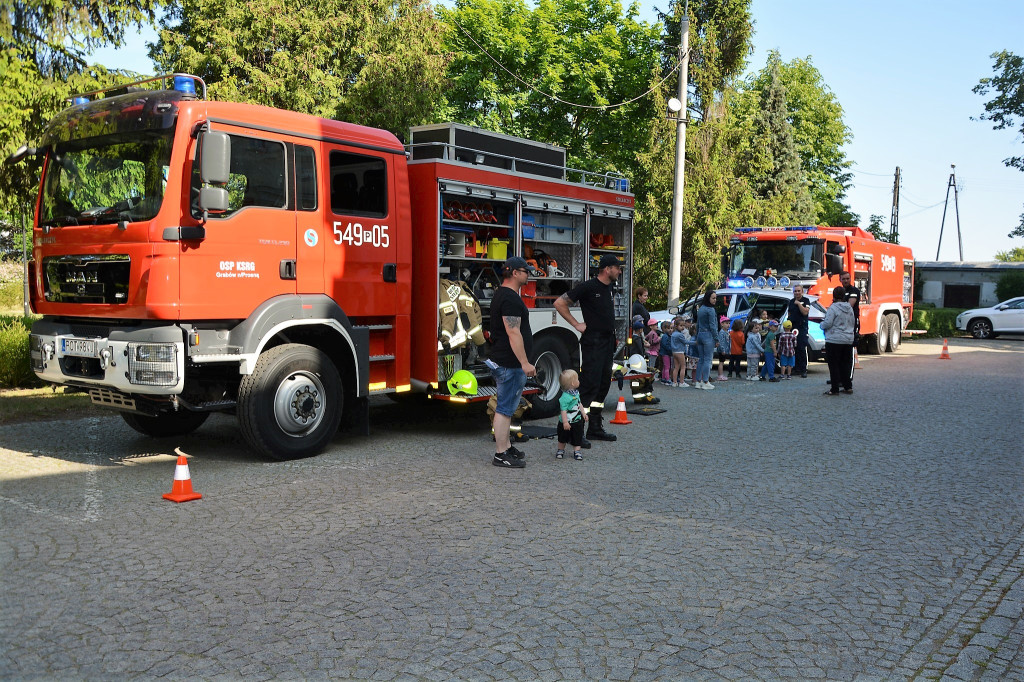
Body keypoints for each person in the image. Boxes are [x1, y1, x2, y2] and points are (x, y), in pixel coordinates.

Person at [554, 253, 623, 443]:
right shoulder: (589, 286)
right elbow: (559, 303)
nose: (619, 271)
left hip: (608, 342)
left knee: (602, 385)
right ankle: (577, 431)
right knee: (589, 385)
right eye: (617, 267)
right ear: (607, 269)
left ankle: (595, 427)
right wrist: (576, 324)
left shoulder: (610, 288)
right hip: (593, 342)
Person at [486, 256, 536, 468]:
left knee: (506, 407)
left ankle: (506, 447)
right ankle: (500, 454)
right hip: (510, 363)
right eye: (525, 271)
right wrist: (525, 363)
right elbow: (513, 332)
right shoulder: (510, 299)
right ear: (515, 272)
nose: (528, 275)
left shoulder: (503, 295)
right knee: (505, 409)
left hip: (506, 361)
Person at [820, 285, 856, 395]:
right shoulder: (849, 308)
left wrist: (822, 325)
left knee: (834, 365)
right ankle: (847, 386)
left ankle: (834, 389)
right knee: (845, 364)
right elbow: (853, 322)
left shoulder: (833, 308)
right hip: (848, 339)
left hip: (834, 339)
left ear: (834, 296)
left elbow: (828, 323)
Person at [555, 369, 587, 460]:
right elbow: (563, 410)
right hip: (566, 422)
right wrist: (565, 422)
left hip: (576, 420)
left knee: (577, 435)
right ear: (573, 383)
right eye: (577, 379)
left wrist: (583, 413)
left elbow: (579, 403)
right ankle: (560, 449)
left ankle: (577, 451)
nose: (579, 381)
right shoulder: (565, 397)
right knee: (562, 436)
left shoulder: (576, 393)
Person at [693, 290, 718, 390]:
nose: (715, 300)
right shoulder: (711, 310)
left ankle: (698, 381)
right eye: (713, 298)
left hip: (700, 334)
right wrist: (716, 338)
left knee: (701, 359)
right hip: (708, 335)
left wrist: (697, 335)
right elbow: (713, 326)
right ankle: (706, 381)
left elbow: (698, 324)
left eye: (715, 298)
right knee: (708, 359)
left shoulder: (701, 309)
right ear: (708, 298)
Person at [840, 271, 861, 388]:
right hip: (842, 324)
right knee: (841, 353)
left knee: (849, 353)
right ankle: (839, 378)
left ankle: (848, 379)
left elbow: (849, 306)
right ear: (840, 280)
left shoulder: (854, 291)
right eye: (843, 279)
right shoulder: (840, 290)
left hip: (852, 323)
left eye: (847, 278)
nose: (846, 281)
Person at [786, 284, 812, 377]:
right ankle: (796, 368)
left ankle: (803, 369)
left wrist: (799, 304)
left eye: (798, 291)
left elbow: (805, 312)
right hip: (793, 328)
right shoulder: (791, 301)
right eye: (795, 291)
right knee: (794, 348)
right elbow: (789, 313)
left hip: (802, 328)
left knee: (801, 348)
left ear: (802, 291)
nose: (797, 292)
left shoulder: (806, 301)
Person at [670, 316, 688, 387]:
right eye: (681, 325)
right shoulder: (680, 335)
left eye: (683, 325)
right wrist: (695, 342)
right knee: (683, 367)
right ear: (676, 326)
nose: (682, 327)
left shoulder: (673, 334)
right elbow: (685, 342)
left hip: (674, 352)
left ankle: (674, 382)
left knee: (676, 367)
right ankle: (681, 382)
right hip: (680, 351)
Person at [658, 320, 674, 385]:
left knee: (665, 366)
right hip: (665, 353)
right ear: (665, 329)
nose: (670, 330)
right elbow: (665, 345)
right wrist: (670, 349)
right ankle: (667, 379)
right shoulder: (665, 336)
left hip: (666, 353)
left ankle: (664, 378)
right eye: (668, 328)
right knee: (667, 366)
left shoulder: (667, 336)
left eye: (671, 328)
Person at [716, 315, 731, 381]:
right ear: (722, 324)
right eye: (726, 323)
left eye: (729, 323)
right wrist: (723, 350)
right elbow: (721, 342)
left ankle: (721, 374)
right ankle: (720, 375)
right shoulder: (722, 333)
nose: (728, 325)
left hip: (725, 349)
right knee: (721, 362)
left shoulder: (726, 332)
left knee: (722, 362)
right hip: (722, 350)